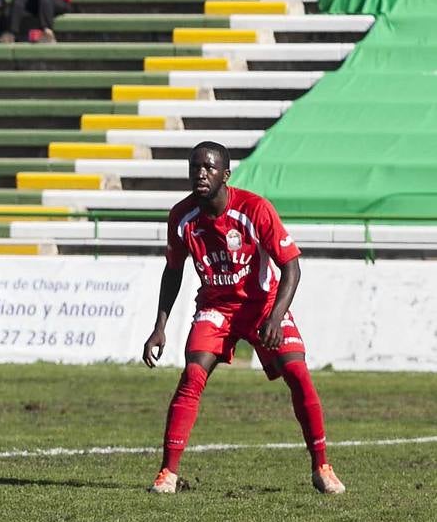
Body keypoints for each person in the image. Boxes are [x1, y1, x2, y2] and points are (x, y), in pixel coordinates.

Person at [143, 142, 345, 497]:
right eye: (195, 167)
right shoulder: (181, 216)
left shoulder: (254, 209)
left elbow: (292, 268)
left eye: (208, 168)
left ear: (225, 174)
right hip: (216, 307)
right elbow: (172, 271)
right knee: (192, 374)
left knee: (297, 372)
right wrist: (159, 327)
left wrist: (275, 316)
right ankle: (167, 473)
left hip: (262, 304)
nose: (200, 174)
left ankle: (322, 466)